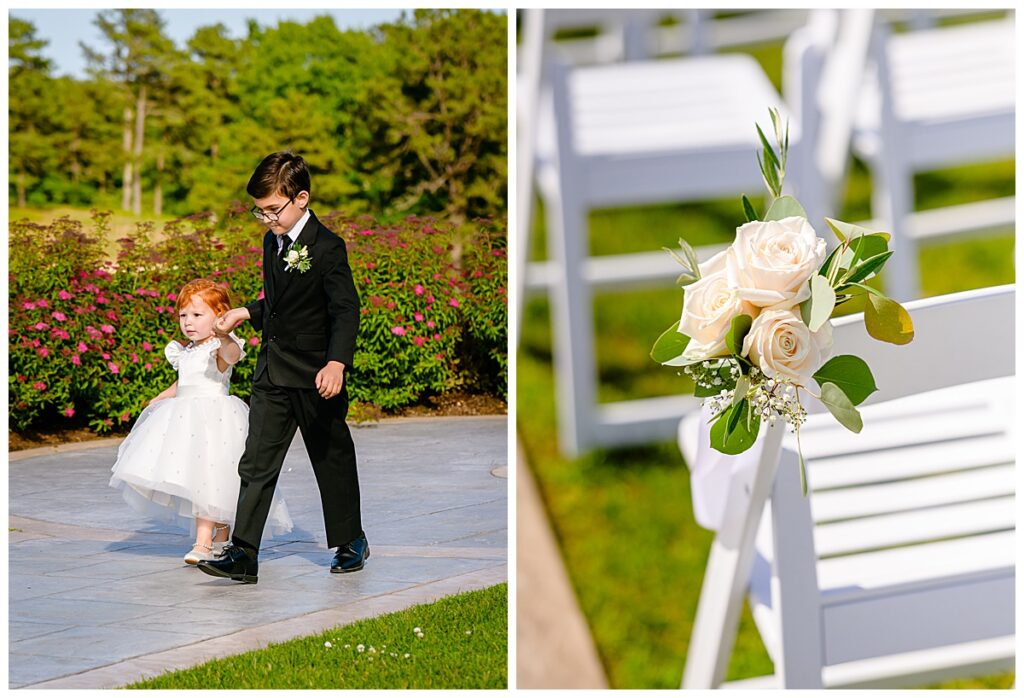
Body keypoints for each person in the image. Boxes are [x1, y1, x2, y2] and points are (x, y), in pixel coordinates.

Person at [197, 151, 367, 585]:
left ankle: (350, 541)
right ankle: (244, 553)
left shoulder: (328, 248)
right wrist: (245, 312)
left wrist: (336, 362)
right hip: (273, 371)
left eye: (273, 209)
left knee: (330, 456)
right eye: (261, 210)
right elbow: (280, 304)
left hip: (317, 375)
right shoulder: (271, 243)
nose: (267, 219)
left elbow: (345, 310)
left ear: (301, 199)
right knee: (255, 462)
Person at [109, 278, 293, 565]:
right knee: (197, 479)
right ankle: (220, 536)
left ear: (219, 317)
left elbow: (231, 357)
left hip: (213, 421)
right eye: (183, 315)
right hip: (185, 421)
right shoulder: (186, 351)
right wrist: (160, 398)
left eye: (197, 315)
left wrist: (224, 335)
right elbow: (183, 382)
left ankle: (203, 542)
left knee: (209, 479)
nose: (188, 322)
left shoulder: (218, 348)